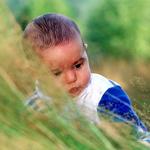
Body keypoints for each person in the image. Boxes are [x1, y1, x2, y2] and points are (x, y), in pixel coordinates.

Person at [23, 13, 149, 141]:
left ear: (85, 51)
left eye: (77, 65)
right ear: (34, 73)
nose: (71, 78)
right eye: (56, 73)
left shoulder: (105, 96)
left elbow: (127, 137)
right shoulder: (36, 104)